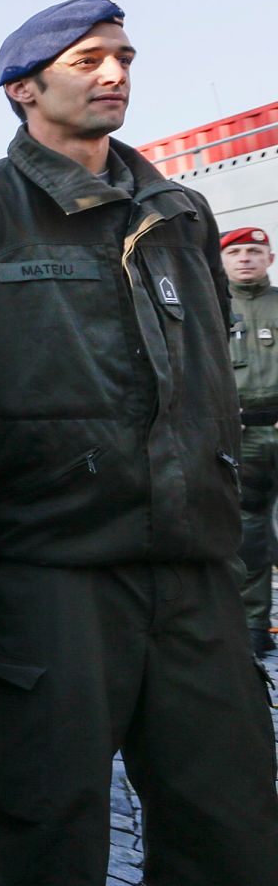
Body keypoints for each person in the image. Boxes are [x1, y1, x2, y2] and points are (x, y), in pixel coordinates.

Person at [0, 0, 278, 885]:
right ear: (22, 88)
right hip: (53, 571)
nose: (115, 72)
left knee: (231, 824)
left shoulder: (182, 212)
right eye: (87, 60)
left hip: (197, 568)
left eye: (122, 55)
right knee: (48, 826)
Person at [223, 225, 278, 653]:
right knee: (251, 534)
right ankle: (254, 624)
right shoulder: (211, 310)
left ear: (270, 259)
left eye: (254, 252)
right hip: (243, 436)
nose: (245, 259)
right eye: (236, 252)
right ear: (223, 261)